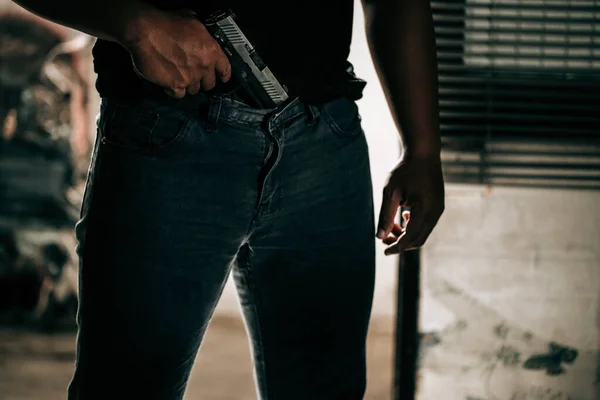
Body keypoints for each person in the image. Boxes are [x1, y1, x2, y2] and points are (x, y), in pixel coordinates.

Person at [12, 0, 445, 399]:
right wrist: (136, 26)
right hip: (167, 131)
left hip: (323, 135)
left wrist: (423, 148)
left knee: (325, 388)